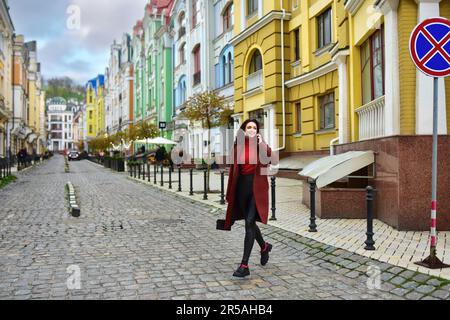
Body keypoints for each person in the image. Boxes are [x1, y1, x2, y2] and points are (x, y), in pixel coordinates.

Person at [217, 119, 273, 278]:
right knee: (250, 222)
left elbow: (269, 157)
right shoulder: (238, 145)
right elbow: (234, 170)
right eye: (249, 127)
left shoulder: (260, 145)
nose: (252, 129)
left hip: (257, 189)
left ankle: (244, 265)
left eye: (254, 127)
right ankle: (264, 246)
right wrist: (230, 192)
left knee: (249, 222)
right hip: (241, 189)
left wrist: (262, 143)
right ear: (244, 129)